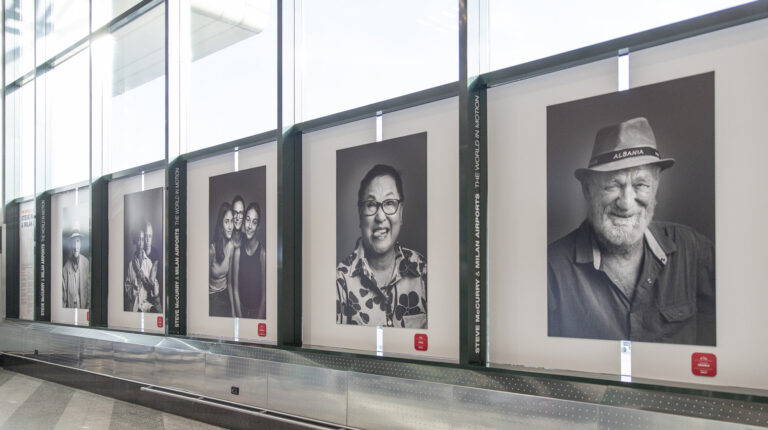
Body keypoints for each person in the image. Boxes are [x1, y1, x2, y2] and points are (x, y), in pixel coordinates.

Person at [547, 117, 715, 345]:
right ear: (588, 190)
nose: (626, 203)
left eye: (640, 185)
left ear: (656, 187)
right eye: (612, 185)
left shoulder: (693, 249)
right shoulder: (551, 269)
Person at [336, 164, 427, 328]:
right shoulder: (339, 280)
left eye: (389, 203)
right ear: (360, 215)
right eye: (371, 205)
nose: (380, 216)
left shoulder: (423, 269)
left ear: (401, 213)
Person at [236, 202, 266, 319]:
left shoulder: (262, 254)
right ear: (243, 222)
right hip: (241, 311)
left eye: (254, 222)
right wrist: (240, 318)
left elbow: (264, 295)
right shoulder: (238, 252)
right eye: (248, 220)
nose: (249, 226)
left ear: (258, 226)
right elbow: (235, 290)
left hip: (257, 312)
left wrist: (258, 320)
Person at [124, 227, 160, 313]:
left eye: (143, 240)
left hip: (145, 304)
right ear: (135, 241)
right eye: (139, 240)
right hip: (133, 305)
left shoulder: (148, 263)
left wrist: (152, 284)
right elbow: (127, 285)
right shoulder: (130, 264)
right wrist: (133, 291)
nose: (141, 243)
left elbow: (155, 288)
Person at [209, 202, 236, 317]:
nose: (230, 227)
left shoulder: (231, 246)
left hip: (225, 296)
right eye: (226, 222)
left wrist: (233, 310)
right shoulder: (211, 250)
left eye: (232, 221)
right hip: (212, 298)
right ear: (221, 224)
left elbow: (229, 282)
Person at [62, 223, 90, 309]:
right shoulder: (65, 268)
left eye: (77, 241)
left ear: (81, 243)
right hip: (70, 309)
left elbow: (90, 290)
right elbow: (63, 297)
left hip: (84, 308)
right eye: (73, 242)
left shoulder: (86, 263)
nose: (75, 246)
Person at [229, 195, 245, 317]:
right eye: (235, 212)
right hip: (229, 302)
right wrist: (234, 314)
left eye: (241, 213)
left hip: (245, 300)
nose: (238, 217)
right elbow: (229, 283)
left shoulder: (247, 240)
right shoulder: (226, 240)